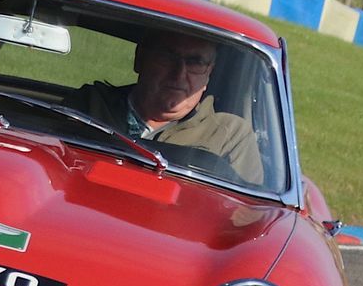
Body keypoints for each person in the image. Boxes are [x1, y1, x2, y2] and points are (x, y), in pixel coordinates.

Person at [64, 32, 263, 183]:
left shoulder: (231, 135)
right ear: (140, 59)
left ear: (209, 73)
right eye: (168, 57)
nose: (178, 74)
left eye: (195, 62)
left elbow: (246, 214)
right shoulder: (89, 105)